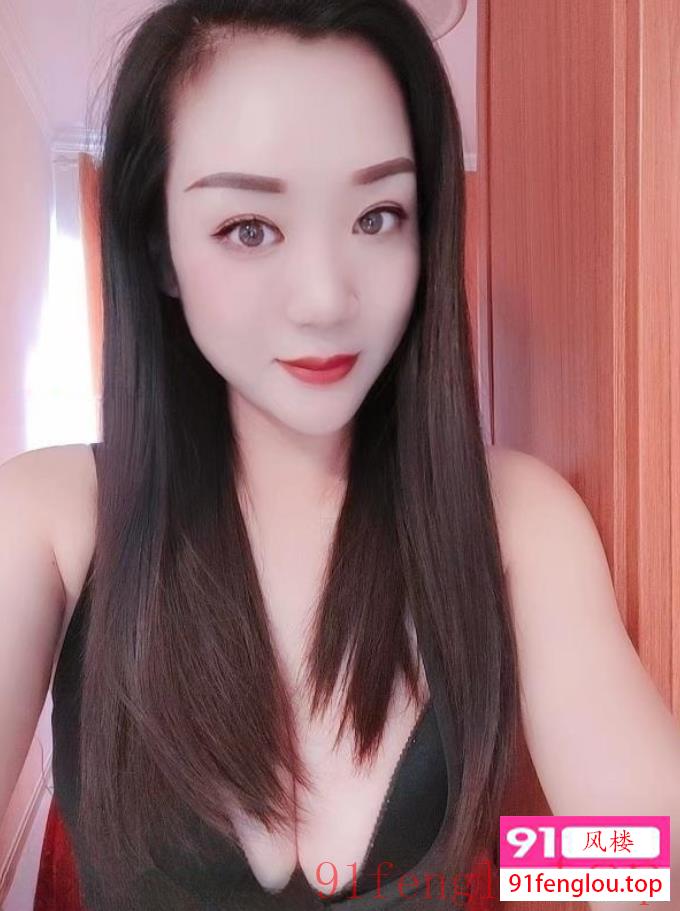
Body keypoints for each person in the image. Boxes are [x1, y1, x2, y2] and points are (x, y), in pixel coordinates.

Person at [2, 1, 679, 909]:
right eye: (250, 227)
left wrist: (529, 876)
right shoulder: (50, 517)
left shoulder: (514, 516)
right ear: (159, 246)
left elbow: (645, 852)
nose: (324, 298)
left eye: (377, 216)